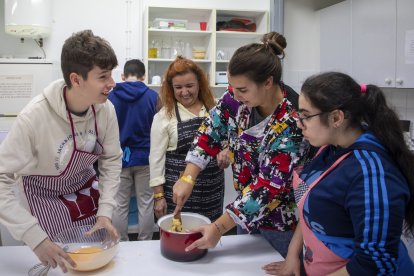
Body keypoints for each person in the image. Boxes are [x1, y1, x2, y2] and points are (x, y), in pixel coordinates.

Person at [263, 72, 414, 275]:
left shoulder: (371, 173)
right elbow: (309, 205)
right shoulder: (330, 148)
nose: (299, 124)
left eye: (306, 116)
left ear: (336, 117)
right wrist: (292, 254)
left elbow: (375, 261)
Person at [173, 32, 308, 258]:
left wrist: (218, 227)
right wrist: (188, 176)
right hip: (243, 213)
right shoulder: (236, 98)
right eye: (232, 87)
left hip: (282, 224)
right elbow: (211, 129)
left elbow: (268, 188)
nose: (234, 95)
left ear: (268, 82)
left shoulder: (292, 122)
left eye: (242, 90)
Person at [0, 30, 122, 273]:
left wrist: (105, 212)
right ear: (76, 80)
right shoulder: (34, 118)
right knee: (60, 266)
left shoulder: (105, 111)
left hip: (86, 193)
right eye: (103, 76)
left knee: (94, 262)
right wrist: (35, 238)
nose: (112, 83)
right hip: (44, 200)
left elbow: (111, 161)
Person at [149, 56, 227, 222]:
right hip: (178, 193)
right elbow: (156, 160)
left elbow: (227, 142)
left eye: (190, 86)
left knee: (209, 234)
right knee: (181, 236)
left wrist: (226, 153)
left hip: (213, 190)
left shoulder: (213, 109)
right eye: (178, 87)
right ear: (171, 88)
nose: (184, 92)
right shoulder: (164, 116)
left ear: (200, 83)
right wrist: (158, 196)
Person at [108, 59, 160, 241]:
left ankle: (121, 242)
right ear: (143, 76)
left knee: (119, 204)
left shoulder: (111, 96)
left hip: (119, 158)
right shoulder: (153, 97)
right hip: (145, 158)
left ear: (123, 76)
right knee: (146, 203)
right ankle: (145, 241)